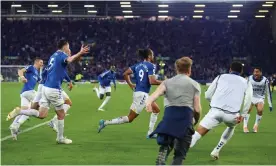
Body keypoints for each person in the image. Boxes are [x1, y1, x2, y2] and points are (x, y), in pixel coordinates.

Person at [7, 39, 89, 144]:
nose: (69, 49)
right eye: (68, 47)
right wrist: (80, 53)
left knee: (42, 114)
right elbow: (69, 60)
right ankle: (60, 138)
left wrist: (68, 81)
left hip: (45, 88)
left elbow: (56, 70)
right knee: (61, 114)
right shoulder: (61, 55)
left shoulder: (53, 56)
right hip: (54, 89)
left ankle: (20, 111)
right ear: (64, 47)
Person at [190, 62, 253, 160]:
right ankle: (216, 150)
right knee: (231, 127)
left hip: (215, 111)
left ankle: (181, 150)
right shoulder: (246, 82)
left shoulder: (220, 77)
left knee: (197, 134)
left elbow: (207, 95)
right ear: (241, 72)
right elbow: (248, 99)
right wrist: (243, 115)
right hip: (232, 115)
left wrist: (213, 102)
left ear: (230, 69)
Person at [145, 57, 201, 165]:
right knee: (179, 155)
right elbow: (197, 109)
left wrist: (148, 103)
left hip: (169, 117)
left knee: (167, 139)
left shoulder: (167, 82)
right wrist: (195, 120)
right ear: (189, 70)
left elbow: (155, 95)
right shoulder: (195, 84)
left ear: (176, 69)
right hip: (186, 118)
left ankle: (164, 149)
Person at [98, 48, 162, 138]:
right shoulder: (151, 66)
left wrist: (131, 84)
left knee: (156, 110)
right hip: (142, 95)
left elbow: (125, 74)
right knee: (130, 118)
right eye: (152, 55)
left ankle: (150, 133)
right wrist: (164, 82)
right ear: (149, 56)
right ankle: (105, 122)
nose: (153, 57)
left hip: (140, 93)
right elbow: (152, 81)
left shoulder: (137, 65)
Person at [9, 58, 43, 140]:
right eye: (41, 62)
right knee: (36, 109)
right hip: (29, 91)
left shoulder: (37, 74)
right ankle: (17, 124)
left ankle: (13, 127)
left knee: (24, 111)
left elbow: (41, 81)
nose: (42, 64)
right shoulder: (31, 67)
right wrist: (22, 77)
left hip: (24, 94)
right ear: (36, 62)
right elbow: (20, 71)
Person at [243, 67, 273, 133]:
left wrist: (270, 104)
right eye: (254, 72)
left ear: (261, 73)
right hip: (251, 97)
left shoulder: (265, 80)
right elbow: (244, 88)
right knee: (248, 110)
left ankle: (255, 126)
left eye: (257, 72)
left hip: (260, 98)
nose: (255, 73)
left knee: (260, 110)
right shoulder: (249, 78)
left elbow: (268, 92)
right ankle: (245, 126)